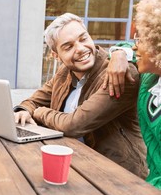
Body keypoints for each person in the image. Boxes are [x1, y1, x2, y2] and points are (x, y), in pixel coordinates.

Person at [14, 12, 148, 179]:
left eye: (83, 39)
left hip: (117, 175)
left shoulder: (120, 74)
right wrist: (23, 109)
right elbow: (36, 99)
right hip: (73, 165)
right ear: (56, 55)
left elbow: (75, 125)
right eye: (68, 47)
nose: (80, 49)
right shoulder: (65, 72)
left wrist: (38, 112)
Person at [129, 0, 161, 189]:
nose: (134, 46)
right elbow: (124, 50)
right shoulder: (151, 78)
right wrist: (117, 56)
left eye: (140, 39)